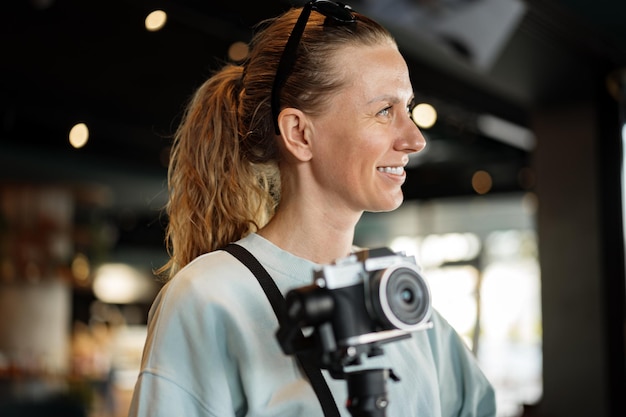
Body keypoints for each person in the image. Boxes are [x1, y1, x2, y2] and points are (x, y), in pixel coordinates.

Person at [128, 1, 496, 416]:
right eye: (384, 110)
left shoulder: (395, 296)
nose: (415, 139)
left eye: (407, 109)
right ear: (300, 133)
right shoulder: (209, 297)